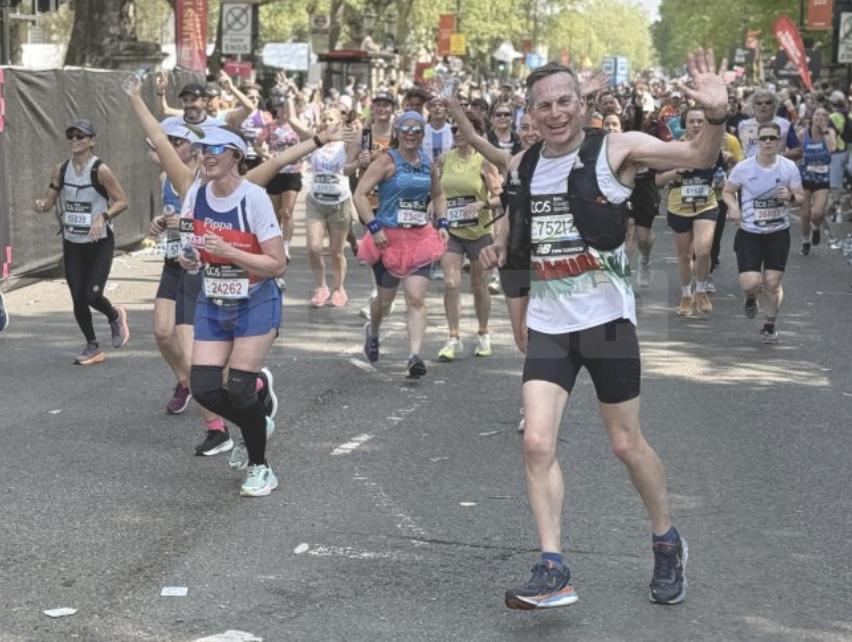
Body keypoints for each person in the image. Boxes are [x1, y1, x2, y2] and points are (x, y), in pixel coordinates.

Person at [480, 48, 728, 609]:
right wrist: (516, 309)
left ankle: (666, 541)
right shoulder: (522, 166)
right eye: (543, 105)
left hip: (608, 322)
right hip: (549, 324)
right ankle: (553, 567)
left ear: (582, 102)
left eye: (565, 101)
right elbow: (519, 242)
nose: (555, 113)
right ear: (531, 111)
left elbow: (695, 154)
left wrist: (715, 116)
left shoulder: (614, 148)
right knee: (536, 440)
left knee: (624, 443)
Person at [179, 127, 287, 497]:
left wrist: (230, 252)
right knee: (205, 389)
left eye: (216, 149)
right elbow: (191, 250)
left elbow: (277, 264)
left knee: (240, 390)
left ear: (236, 156)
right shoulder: (196, 193)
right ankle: (258, 418)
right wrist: (189, 257)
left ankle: (260, 468)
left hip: (256, 297)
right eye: (202, 149)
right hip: (213, 297)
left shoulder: (254, 198)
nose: (206, 156)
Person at [353, 111, 448, 378]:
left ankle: (415, 356)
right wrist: (374, 227)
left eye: (416, 130)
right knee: (384, 301)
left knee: (416, 299)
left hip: (419, 238)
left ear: (422, 134)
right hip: (387, 238)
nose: (410, 134)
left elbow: (439, 194)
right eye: (405, 129)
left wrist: (442, 223)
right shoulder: (386, 161)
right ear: (397, 132)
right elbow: (359, 194)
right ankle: (373, 331)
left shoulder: (427, 164)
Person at [33, 119, 130, 365]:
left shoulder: (100, 170)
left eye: (81, 137)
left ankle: (114, 315)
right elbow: (50, 199)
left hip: (99, 242)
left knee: (91, 294)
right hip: (72, 241)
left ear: (91, 141)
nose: (75, 141)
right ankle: (92, 345)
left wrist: (103, 216)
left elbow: (122, 201)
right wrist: (43, 205)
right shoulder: (61, 170)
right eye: (72, 137)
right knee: (77, 297)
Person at [722, 121, 804, 343]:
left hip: (778, 231)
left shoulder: (788, 167)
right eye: (764, 138)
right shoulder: (744, 168)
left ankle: (769, 325)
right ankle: (751, 298)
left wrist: (791, 197)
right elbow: (728, 192)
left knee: (773, 282)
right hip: (749, 232)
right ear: (758, 141)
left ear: (779, 142)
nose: (768, 142)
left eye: (772, 138)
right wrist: (734, 207)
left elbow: (801, 197)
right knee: (750, 283)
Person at [436, 114, 502, 361]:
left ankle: (483, 333)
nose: (457, 133)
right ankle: (453, 337)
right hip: (452, 230)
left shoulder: (485, 162)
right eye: (454, 129)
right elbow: (437, 192)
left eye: (462, 128)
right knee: (451, 283)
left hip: (479, 232)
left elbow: (500, 197)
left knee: (478, 285)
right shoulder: (445, 158)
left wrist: (482, 204)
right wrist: (435, 206)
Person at [285, 101, 359, 307]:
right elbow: (292, 120)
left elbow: (362, 137)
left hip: (339, 202)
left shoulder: (346, 141)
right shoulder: (314, 139)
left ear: (340, 121)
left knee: (336, 252)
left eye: (331, 118)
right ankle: (321, 287)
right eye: (324, 119)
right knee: (313, 247)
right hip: (316, 202)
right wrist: (288, 95)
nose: (327, 122)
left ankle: (339, 288)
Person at [656, 107, 724, 316]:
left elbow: (720, 177)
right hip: (679, 206)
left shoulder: (713, 149)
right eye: (692, 121)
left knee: (703, 251)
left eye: (700, 121)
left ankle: (701, 291)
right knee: (685, 255)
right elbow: (658, 180)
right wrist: (676, 172)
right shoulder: (674, 148)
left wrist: (721, 181)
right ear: (684, 125)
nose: (696, 125)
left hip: (706, 204)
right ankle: (686, 296)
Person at [257, 87, 304, 261]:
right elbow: (257, 144)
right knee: (275, 213)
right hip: (275, 171)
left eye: (285, 107)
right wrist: (265, 154)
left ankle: (286, 246)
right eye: (280, 107)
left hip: (293, 171)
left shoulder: (296, 125)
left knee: (287, 212)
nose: (282, 110)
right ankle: (274, 244)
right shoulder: (270, 127)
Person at [797, 107, 835, 255]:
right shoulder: (803, 133)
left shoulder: (829, 133)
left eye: (824, 115)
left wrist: (825, 131)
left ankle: (816, 227)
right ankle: (806, 240)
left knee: (817, 213)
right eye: (817, 114)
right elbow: (797, 152)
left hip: (822, 179)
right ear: (812, 117)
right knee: (805, 213)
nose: (820, 117)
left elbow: (832, 149)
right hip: (805, 178)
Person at [737, 89, 802, 160]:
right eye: (759, 103)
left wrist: (776, 157)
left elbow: (798, 151)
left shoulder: (784, 124)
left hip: (776, 168)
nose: (763, 105)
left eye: (768, 103)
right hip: (749, 169)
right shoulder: (743, 125)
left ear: (774, 105)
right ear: (753, 106)